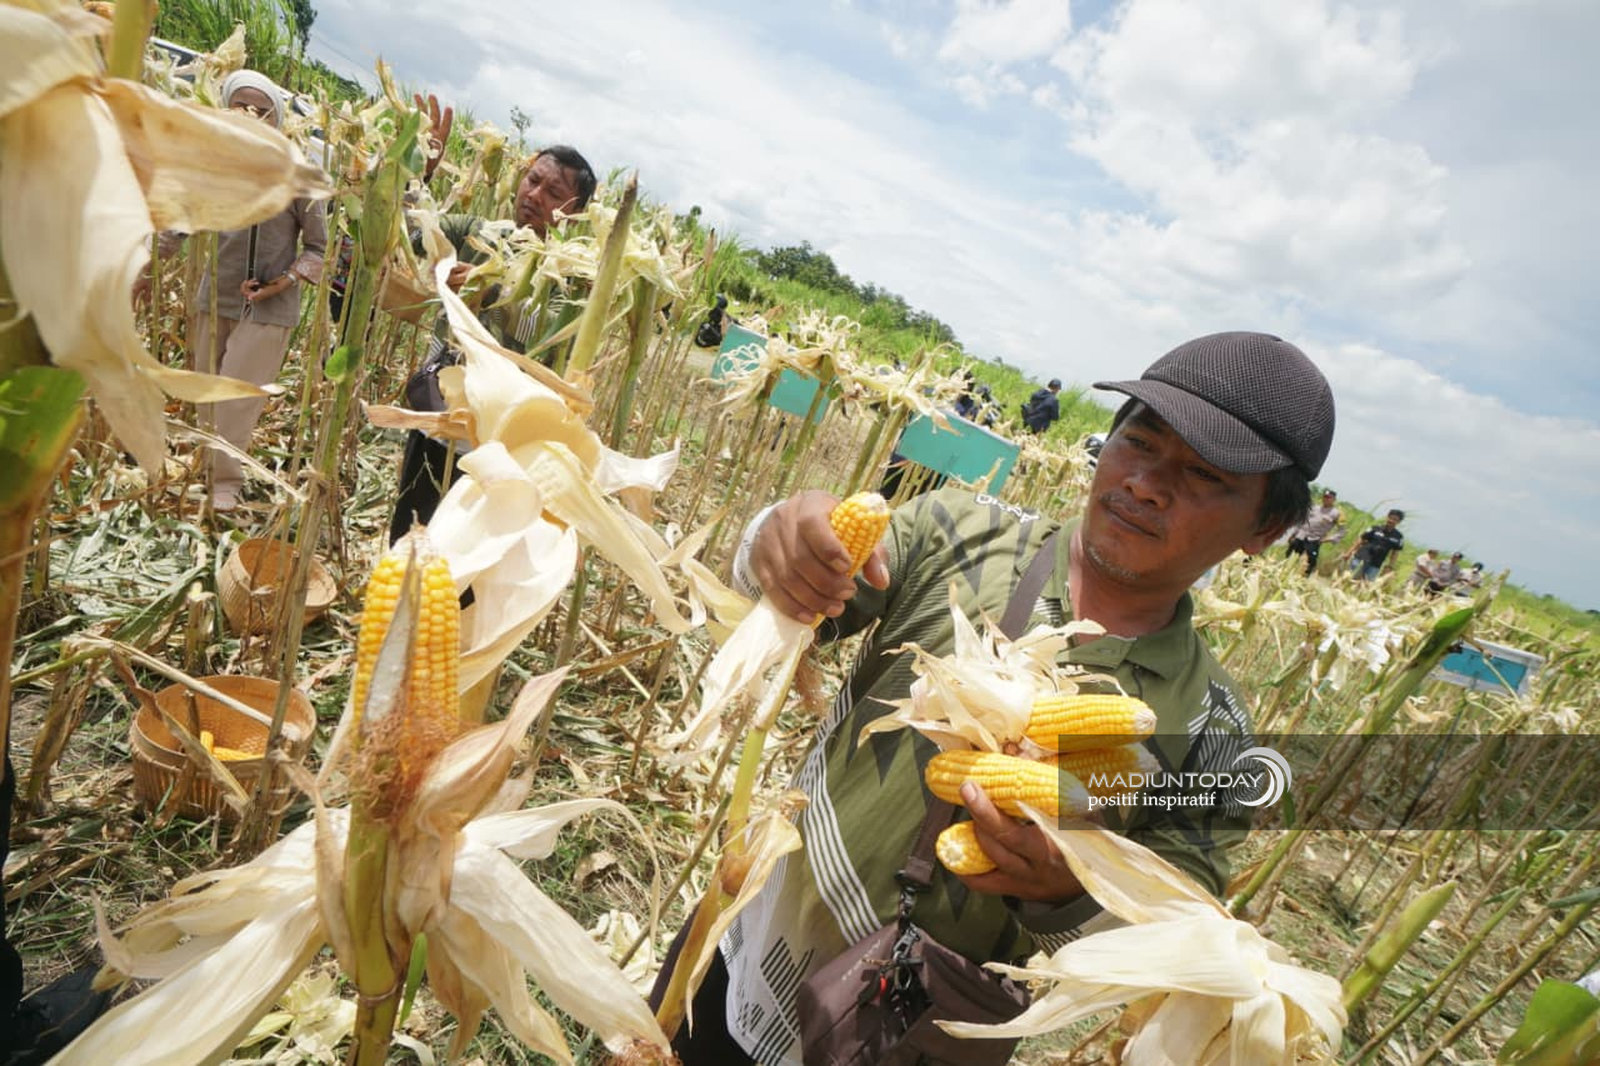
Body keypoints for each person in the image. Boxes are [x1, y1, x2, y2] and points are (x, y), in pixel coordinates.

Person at [667, 331, 1334, 1066]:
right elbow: (778, 609)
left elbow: (1174, 930)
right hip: (742, 950)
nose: (1146, 484)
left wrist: (1066, 891)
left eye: (1203, 475)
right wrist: (777, 545)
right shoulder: (957, 533)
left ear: (1266, 529)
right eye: (1139, 442)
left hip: (920, 1035)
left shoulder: (1216, 735)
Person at [388, 143, 598, 543]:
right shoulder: (476, 231)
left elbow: (550, 332)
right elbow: (408, 234)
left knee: (465, 543)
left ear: (575, 213)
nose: (535, 195)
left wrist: (491, 291)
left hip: (497, 436)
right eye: (532, 180)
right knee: (409, 528)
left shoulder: (571, 275)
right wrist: (418, 172)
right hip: (438, 411)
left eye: (553, 193)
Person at [143, 71, 327, 513]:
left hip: (269, 305)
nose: (250, 116)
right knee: (207, 391)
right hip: (217, 295)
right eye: (240, 107)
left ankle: (227, 481)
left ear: (276, 119)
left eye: (261, 110)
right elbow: (180, 225)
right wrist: (144, 269)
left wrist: (283, 281)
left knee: (237, 399)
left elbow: (319, 249)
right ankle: (205, 468)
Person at [1283, 488, 1343, 576]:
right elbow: (1303, 521)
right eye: (1325, 497)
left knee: (1310, 561)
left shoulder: (1336, 513)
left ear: (1334, 499)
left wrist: (1329, 539)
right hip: (1301, 536)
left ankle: (1303, 577)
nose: (1326, 499)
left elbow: (1342, 531)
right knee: (1290, 555)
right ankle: (1284, 572)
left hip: (1314, 539)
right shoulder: (1314, 508)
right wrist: (1293, 534)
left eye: (1329, 497)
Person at [1347, 509, 1405, 581]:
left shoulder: (1398, 537)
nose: (1391, 521)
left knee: (1366, 584)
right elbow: (1361, 540)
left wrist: (1390, 566)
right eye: (1390, 518)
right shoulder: (1375, 528)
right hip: (1361, 559)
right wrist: (1349, 553)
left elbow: (1395, 553)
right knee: (1350, 579)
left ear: (1399, 522)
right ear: (1387, 517)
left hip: (1375, 564)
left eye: (1395, 519)